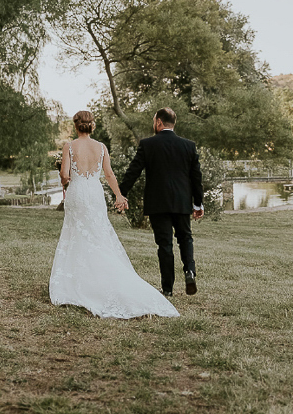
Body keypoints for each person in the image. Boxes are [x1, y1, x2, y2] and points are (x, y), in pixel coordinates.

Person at [49, 111, 179, 319]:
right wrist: (119, 195)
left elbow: (65, 176)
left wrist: (64, 176)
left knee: (76, 233)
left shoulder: (69, 147)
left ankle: (79, 283)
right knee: (98, 234)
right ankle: (104, 278)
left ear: (76, 126)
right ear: (92, 126)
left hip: (77, 193)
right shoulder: (101, 147)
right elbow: (109, 174)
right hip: (95, 193)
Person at [117, 107, 204, 297]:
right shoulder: (188, 146)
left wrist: (121, 193)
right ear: (173, 123)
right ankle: (189, 271)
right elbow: (196, 177)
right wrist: (198, 204)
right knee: (185, 238)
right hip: (181, 202)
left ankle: (168, 289)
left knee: (165, 245)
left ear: (158, 122)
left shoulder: (148, 145)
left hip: (158, 203)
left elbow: (133, 171)